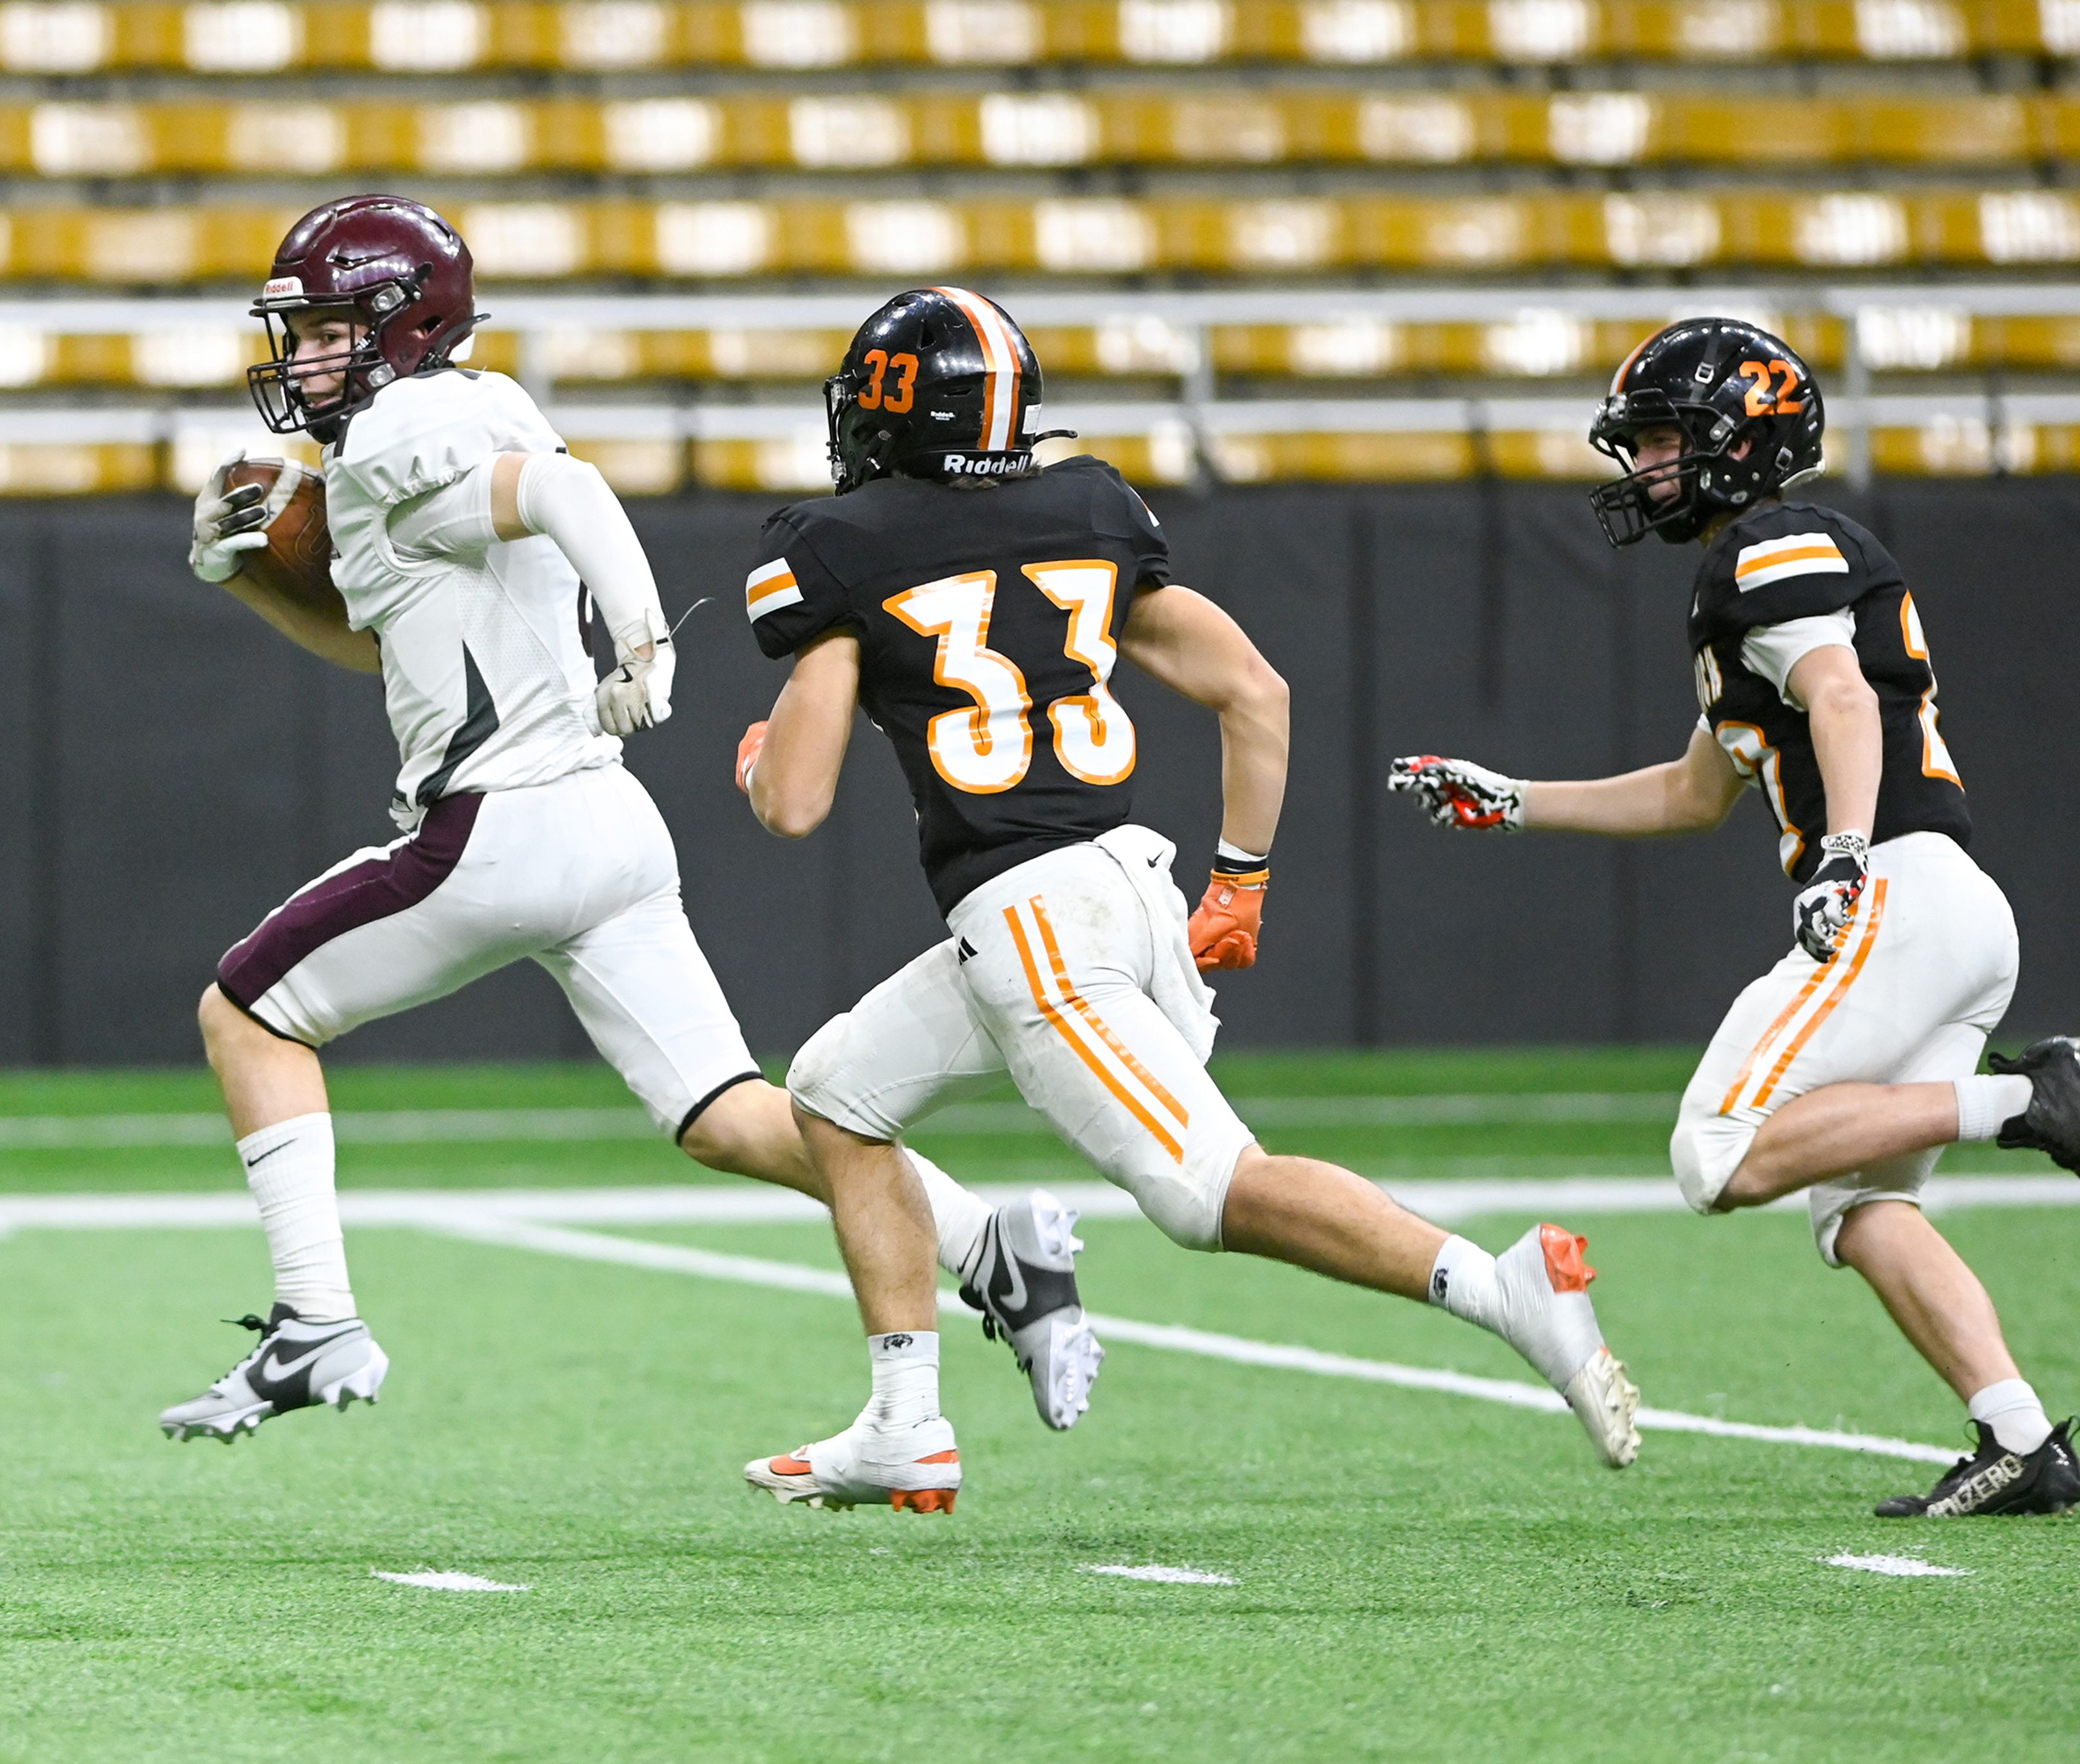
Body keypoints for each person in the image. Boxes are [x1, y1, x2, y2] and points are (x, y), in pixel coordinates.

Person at [158, 196, 1100, 1443]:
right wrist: (250, 583)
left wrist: (646, 638)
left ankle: (316, 1317)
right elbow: (392, 635)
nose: (307, 357)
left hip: (502, 827)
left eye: (330, 329)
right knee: (728, 1113)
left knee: (248, 1010)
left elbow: (568, 491)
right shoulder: (450, 416)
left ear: (397, 327)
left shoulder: (401, 426)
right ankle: (998, 1243)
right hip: (603, 825)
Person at [730, 286, 1640, 1515]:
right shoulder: (1092, 505)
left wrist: (753, 759)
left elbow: (791, 804)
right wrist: (1243, 880)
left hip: (1032, 920)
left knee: (1216, 1192)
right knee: (836, 1092)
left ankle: (1502, 1286)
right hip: (1129, 886)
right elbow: (1255, 689)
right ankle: (905, 1422)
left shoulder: (841, 546)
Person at [1388, 317, 2080, 1518]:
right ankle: (2021, 1439)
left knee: (1713, 1151)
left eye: (1661, 441)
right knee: (1865, 1208)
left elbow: (1843, 699)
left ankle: (2037, 1098)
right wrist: (1513, 803)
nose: (1643, 467)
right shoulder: (1766, 562)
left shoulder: (1768, 544)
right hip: (1945, 901)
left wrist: (1845, 856)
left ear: (1736, 438)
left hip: (1901, 885)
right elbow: (1695, 791)